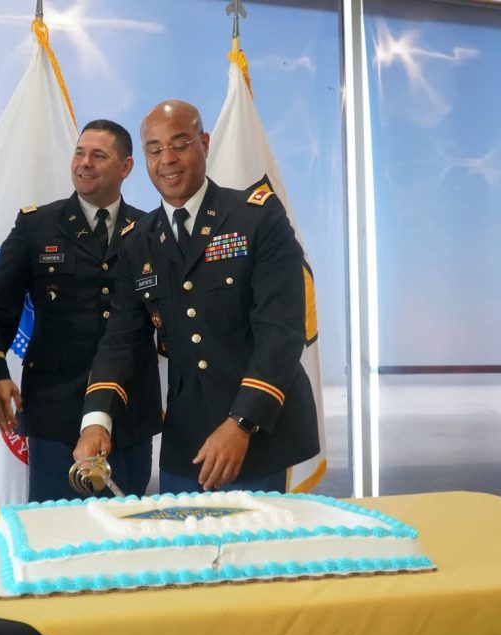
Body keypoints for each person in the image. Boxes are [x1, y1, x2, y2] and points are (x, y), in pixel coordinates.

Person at [74, 100, 319, 494]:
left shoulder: (256, 217)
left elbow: (282, 332)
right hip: (187, 439)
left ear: (204, 143)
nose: (166, 159)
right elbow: (120, 340)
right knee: (188, 550)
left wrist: (241, 423)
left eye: (180, 143)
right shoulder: (137, 242)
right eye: (154, 149)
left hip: (260, 431)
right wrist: (96, 421)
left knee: (258, 555)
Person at [0, 120, 161, 502]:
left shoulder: (149, 229)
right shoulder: (36, 225)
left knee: (127, 534)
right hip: (55, 413)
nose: (84, 163)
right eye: (80, 152)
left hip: (130, 410)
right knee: (53, 533)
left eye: (98, 155)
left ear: (125, 167)